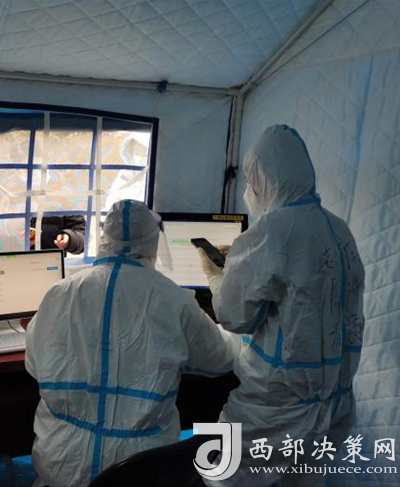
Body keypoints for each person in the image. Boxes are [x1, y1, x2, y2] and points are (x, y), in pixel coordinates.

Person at [25, 199, 241, 487]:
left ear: (104, 240)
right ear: (153, 242)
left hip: (61, 466)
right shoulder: (172, 298)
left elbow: (34, 365)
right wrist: (238, 330)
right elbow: (220, 359)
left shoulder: (59, 293)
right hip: (139, 470)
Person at [199, 125, 365, 486]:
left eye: (251, 180)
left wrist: (216, 277)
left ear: (264, 177)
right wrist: (241, 264)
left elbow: (234, 316)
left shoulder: (270, 231)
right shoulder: (339, 229)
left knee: (225, 477)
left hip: (275, 408)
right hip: (334, 406)